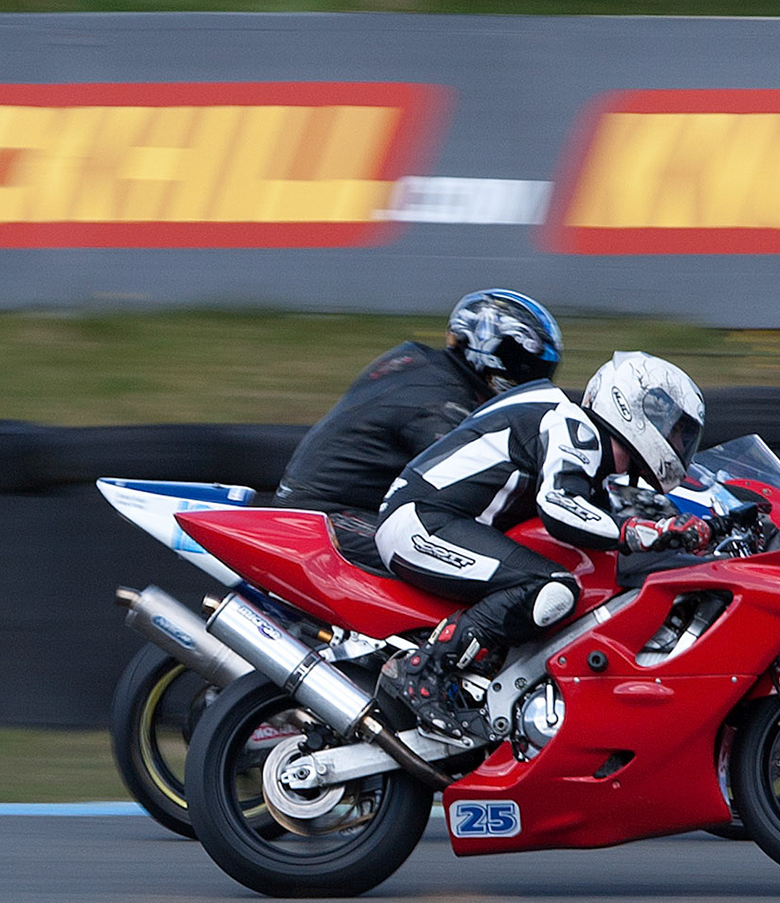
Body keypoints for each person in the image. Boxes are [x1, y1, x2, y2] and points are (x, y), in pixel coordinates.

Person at [374, 351, 712, 740]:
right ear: (633, 408)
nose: (678, 443)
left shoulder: (587, 449)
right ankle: (421, 671)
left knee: (577, 581)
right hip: (420, 521)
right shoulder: (573, 426)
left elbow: (600, 534)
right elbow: (559, 508)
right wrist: (641, 531)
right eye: (674, 430)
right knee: (551, 587)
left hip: (440, 520)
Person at [274, 289, 564, 518]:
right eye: (529, 367)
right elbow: (468, 478)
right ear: (493, 354)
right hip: (328, 515)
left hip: (325, 504)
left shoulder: (418, 362)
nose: (535, 379)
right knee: (445, 556)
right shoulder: (440, 403)